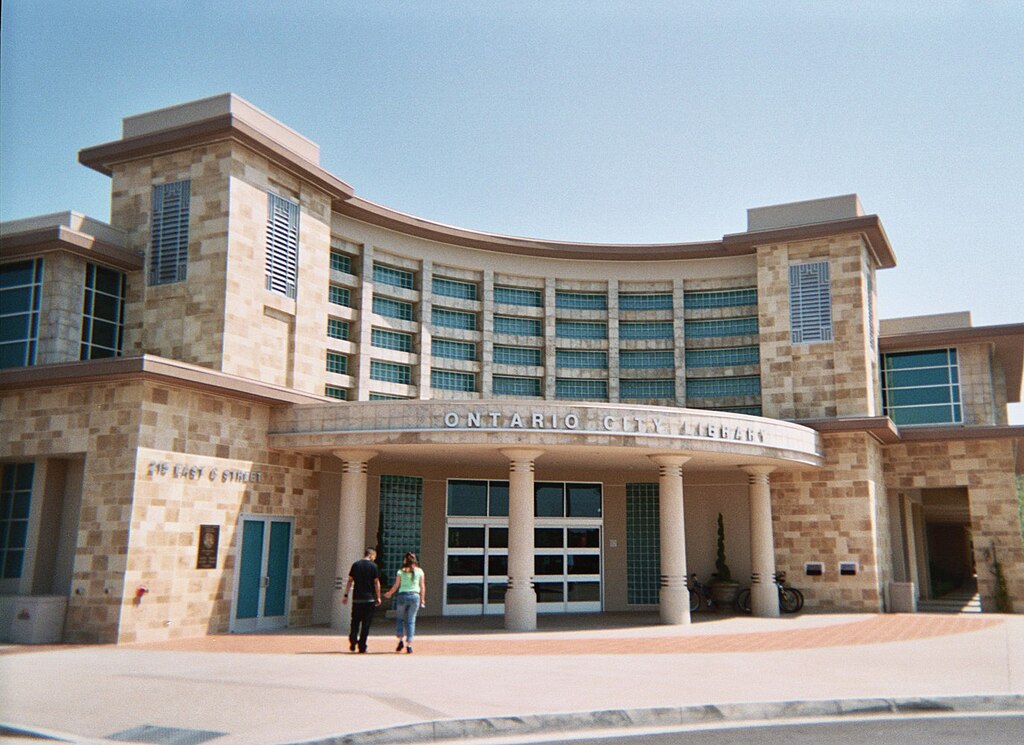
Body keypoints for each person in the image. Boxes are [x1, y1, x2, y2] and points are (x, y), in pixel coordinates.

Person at [383, 551, 425, 654]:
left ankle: (400, 640)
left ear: (405, 560)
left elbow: (396, 585)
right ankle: (409, 644)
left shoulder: (401, 571)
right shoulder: (419, 571)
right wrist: (422, 599)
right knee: (411, 621)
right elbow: (422, 586)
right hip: (415, 596)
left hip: (402, 595)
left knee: (400, 618)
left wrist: (389, 593)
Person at [341, 547, 381, 653]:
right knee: (366, 624)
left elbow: (350, 581)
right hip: (369, 599)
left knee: (355, 621)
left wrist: (346, 595)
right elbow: (376, 583)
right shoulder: (374, 566)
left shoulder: (356, 565)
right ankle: (362, 645)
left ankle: (353, 640)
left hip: (357, 599)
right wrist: (378, 596)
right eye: (374, 556)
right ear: (371, 555)